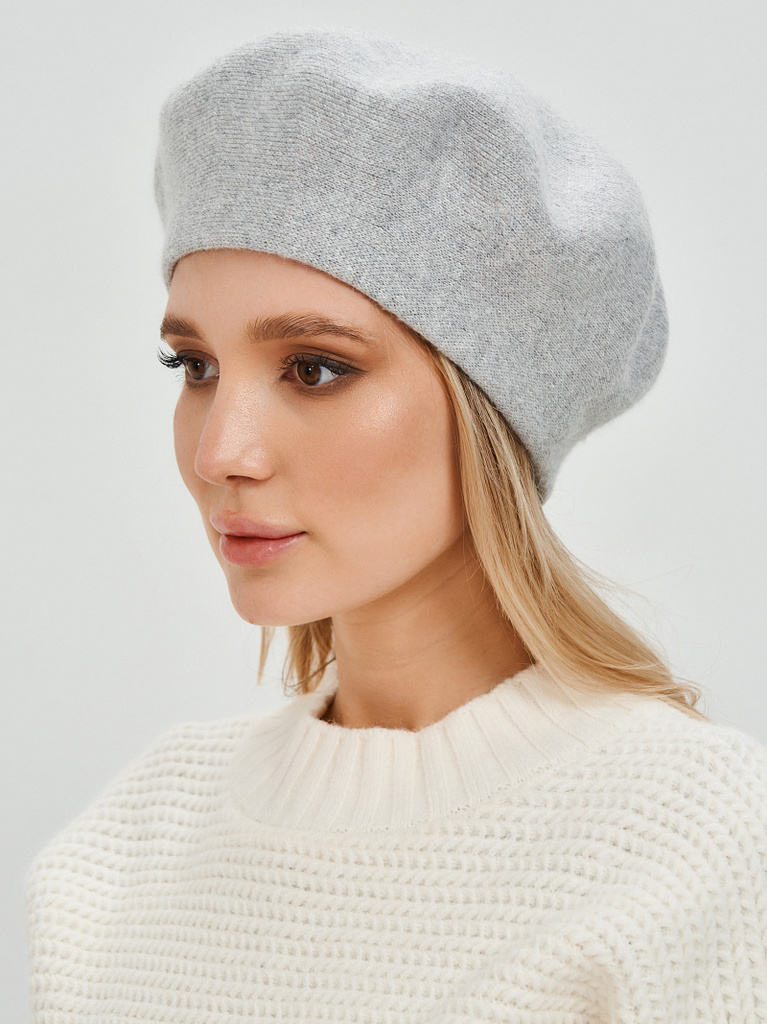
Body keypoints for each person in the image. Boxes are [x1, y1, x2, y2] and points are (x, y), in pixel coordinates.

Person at [26, 27, 767, 1022]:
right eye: (193, 366)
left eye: (313, 369)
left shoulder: (686, 840)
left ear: (489, 405)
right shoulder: (127, 849)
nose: (221, 452)